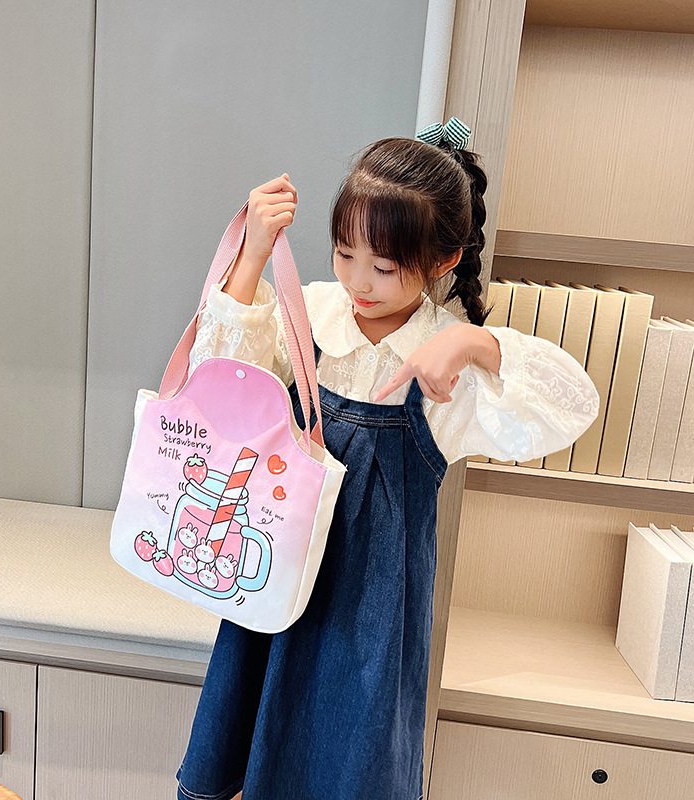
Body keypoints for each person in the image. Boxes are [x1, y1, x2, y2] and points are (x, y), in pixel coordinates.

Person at [175, 125, 599, 800]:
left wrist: (473, 344)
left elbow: (574, 403)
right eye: (345, 254)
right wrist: (253, 253)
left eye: (384, 266)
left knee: (348, 764)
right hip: (274, 578)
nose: (358, 281)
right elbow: (220, 390)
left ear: (442, 259)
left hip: (369, 615)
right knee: (245, 749)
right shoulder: (310, 313)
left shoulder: (446, 358)